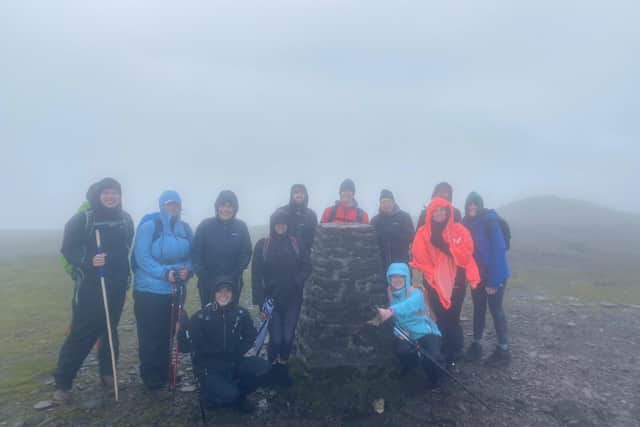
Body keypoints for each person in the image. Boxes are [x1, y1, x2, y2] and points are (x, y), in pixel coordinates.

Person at [53, 178, 134, 403]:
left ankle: (108, 375)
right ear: (98, 195)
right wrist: (88, 260)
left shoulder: (125, 220)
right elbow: (67, 249)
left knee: (110, 330)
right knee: (82, 333)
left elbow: (127, 246)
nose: (111, 197)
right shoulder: (83, 219)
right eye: (106, 193)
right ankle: (63, 383)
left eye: (115, 193)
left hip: (116, 285)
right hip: (90, 286)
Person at [132, 190, 194, 390]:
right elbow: (142, 258)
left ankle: (165, 369)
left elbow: (194, 254)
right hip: (149, 290)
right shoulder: (150, 227)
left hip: (175, 288)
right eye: (169, 203)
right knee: (151, 333)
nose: (173, 207)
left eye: (176, 204)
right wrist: (164, 273)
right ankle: (151, 375)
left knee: (168, 331)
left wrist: (188, 269)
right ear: (161, 205)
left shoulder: (185, 229)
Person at [410, 197, 480, 368]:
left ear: (449, 212)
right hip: (434, 284)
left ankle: (455, 352)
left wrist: (445, 246)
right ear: (430, 213)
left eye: (443, 210)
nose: (440, 213)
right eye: (436, 210)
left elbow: (465, 255)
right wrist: (437, 277)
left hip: (457, 284)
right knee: (439, 318)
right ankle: (439, 352)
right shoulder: (423, 233)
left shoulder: (459, 230)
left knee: (453, 319)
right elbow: (420, 258)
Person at [187, 277, 270, 413]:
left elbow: (250, 335)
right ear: (214, 294)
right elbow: (189, 345)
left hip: (234, 361)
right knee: (229, 394)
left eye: (227, 291)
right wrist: (200, 369)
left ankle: (239, 396)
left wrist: (238, 351)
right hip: (211, 367)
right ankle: (211, 396)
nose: (223, 295)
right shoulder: (200, 316)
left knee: (264, 368)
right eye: (219, 291)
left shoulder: (241, 313)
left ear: (233, 294)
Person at [251, 209, 311, 386]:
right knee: (275, 339)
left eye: (284, 223)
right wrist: (260, 302)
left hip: (293, 299)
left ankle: (282, 369)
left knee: (287, 338)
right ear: (272, 225)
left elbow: (307, 266)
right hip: (272, 301)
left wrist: (297, 282)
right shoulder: (263, 245)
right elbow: (256, 275)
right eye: (277, 223)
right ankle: (270, 370)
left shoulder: (296, 243)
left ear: (288, 225)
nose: (281, 226)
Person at [372, 263, 444, 388]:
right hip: (406, 332)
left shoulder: (416, 293)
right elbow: (396, 320)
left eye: (401, 277)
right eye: (393, 277)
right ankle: (412, 365)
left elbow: (407, 306)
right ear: (389, 278)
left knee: (432, 358)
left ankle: (435, 379)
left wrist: (390, 311)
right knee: (401, 350)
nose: (397, 280)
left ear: (407, 278)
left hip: (426, 331)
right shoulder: (390, 292)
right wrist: (398, 332)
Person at [462, 192, 511, 367]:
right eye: (469, 204)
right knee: (479, 309)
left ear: (480, 205)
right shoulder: (465, 223)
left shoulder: (490, 221)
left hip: (494, 275)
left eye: (475, 204)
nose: (472, 207)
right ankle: (477, 344)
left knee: (496, 310)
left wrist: (493, 281)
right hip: (477, 277)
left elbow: (499, 251)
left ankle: (503, 351)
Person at [192, 190, 252, 307]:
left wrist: (234, 274)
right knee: (209, 316)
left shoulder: (241, 227)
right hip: (208, 283)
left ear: (235, 208)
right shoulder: (205, 225)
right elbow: (195, 252)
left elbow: (246, 252)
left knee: (231, 315)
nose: (226, 209)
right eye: (222, 205)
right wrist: (204, 275)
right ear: (217, 207)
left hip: (233, 281)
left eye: (230, 206)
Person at [370, 189, 415, 270]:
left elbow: (412, 239)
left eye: (389, 201)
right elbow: (371, 243)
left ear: (394, 202)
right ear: (380, 204)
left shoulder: (404, 217)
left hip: (401, 264)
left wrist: (395, 233)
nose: (386, 204)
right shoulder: (375, 221)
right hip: (381, 265)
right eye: (383, 202)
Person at [278, 184, 318, 253]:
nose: (299, 195)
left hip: (306, 256)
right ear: (291, 195)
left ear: (306, 196)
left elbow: (316, 238)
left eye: (302, 193)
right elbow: (274, 236)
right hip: (285, 255)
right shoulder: (281, 212)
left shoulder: (312, 215)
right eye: (296, 192)